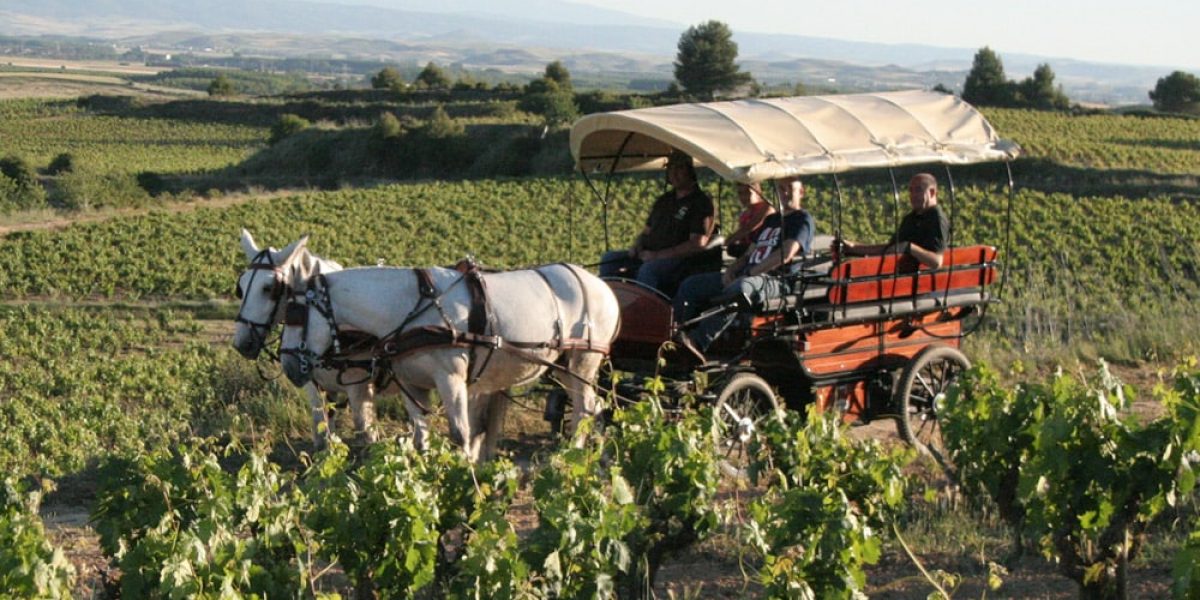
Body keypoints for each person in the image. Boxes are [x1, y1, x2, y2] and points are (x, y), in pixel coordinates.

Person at [673, 176, 814, 359]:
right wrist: (732, 269)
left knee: (739, 289)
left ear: (801, 192)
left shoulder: (802, 219)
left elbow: (785, 254)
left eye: (790, 188)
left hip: (776, 280)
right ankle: (677, 335)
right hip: (747, 274)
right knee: (692, 284)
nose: (784, 192)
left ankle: (699, 342)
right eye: (781, 188)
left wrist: (748, 273)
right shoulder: (772, 220)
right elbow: (750, 252)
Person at [598, 150, 715, 292]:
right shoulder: (664, 200)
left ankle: (644, 309)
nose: (674, 173)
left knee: (648, 270)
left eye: (679, 168)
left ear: (690, 171)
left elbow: (697, 243)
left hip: (679, 260)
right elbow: (646, 231)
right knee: (609, 259)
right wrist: (637, 245)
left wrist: (658, 256)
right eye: (671, 168)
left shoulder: (700, 202)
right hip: (648, 254)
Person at [836, 173, 949, 269]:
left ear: (932, 192)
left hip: (912, 281)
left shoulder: (936, 219)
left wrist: (910, 248)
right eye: (911, 190)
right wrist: (853, 247)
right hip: (899, 277)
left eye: (918, 190)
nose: (913, 195)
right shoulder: (912, 218)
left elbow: (936, 261)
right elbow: (892, 248)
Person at [724, 182, 774, 258]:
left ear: (758, 193)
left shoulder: (766, 208)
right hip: (749, 249)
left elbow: (751, 226)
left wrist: (727, 241)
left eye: (748, 193)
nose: (744, 197)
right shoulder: (744, 214)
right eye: (740, 193)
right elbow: (742, 236)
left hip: (764, 248)